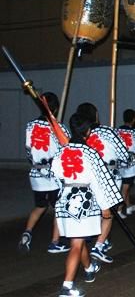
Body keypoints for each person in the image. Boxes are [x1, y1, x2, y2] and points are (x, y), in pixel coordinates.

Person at [52, 113, 123, 297]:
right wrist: (106, 207)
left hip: (65, 199)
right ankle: (67, 286)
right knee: (77, 243)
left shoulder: (61, 151)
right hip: (85, 200)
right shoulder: (90, 153)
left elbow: (54, 176)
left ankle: (89, 267)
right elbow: (99, 182)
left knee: (78, 239)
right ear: (88, 131)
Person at [76, 102, 129, 265]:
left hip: (85, 177)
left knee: (95, 209)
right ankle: (98, 246)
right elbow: (123, 153)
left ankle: (100, 240)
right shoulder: (108, 131)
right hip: (109, 176)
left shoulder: (76, 136)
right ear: (96, 115)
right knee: (109, 212)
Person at [18, 92, 71, 254]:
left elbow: (28, 149)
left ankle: (27, 233)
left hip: (36, 173)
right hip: (53, 175)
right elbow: (67, 149)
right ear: (55, 108)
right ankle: (55, 242)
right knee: (58, 207)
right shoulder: (59, 128)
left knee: (40, 205)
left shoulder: (30, 125)